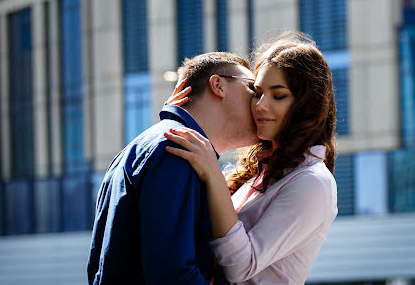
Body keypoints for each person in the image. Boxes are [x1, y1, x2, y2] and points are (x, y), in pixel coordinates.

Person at [164, 31, 338, 285]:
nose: (260, 105)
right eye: (257, 92)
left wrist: (212, 173)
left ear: (307, 105)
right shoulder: (259, 169)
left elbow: (240, 267)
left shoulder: (313, 182)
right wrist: (181, 116)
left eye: (278, 96)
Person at [87, 52, 260, 284]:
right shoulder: (175, 150)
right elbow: (173, 276)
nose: (260, 102)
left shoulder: (148, 146)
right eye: (253, 89)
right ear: (218, 85)